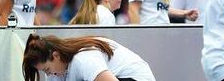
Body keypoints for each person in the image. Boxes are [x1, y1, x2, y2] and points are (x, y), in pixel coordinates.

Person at [22, 34, 155, 81]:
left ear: (55, 56)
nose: (50, 74)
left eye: (47, 69)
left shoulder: (84, 59)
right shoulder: (54, 72)